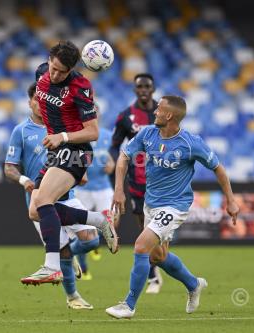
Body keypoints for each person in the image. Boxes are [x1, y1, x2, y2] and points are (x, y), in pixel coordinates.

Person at [106, 95, 239, 319]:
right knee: (157, 256)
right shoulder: (147, 133)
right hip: (152, 203)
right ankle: (193, 284)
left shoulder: (190, 143)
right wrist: (119, 189)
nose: (155, 111)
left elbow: (218, 168)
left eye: (159, 109)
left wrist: (232, 200)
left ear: (169, 115)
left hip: (175, 206)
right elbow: (124, 157)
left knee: (140, 247)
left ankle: (128, 305)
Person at [22, 41, 118, 285]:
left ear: (71, 70)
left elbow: (93, 132)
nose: (54, 75)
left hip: (76, 149)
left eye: (61, 72)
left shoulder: (81, 87)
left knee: (44, 201)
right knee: (35, 211)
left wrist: (61, 136)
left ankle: (52, 266)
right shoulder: (42, 72)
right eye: (53, 68)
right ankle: (97, 220)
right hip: (56, 151)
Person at [4, 83, 100, 309]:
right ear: (30, 102)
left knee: (92, 239)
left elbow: (78, 149)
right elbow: (9, 167)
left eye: (43, 99)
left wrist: (81, 171)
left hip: (68, 196)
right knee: (63, 250)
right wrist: (23, 179)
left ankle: (68, 256)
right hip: (40, 202)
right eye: (36, 100)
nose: (40, 104)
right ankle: (73, 297)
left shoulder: (59, 126)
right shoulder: (21, 131)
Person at [110, 73, 162, 293]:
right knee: (144, 227)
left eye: (147, 86)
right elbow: (114, 144)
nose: (143, 90)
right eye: (139, 86)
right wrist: (113, 160)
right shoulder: (126, 116)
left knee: (157, 231)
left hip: (163, 179)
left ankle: (157, 268)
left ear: (153, 88)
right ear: (135, 90)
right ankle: (153, 275)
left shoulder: (164, 112)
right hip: (138, 180)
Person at [74, 117, 115, 280]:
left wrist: (112, 162)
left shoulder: (107, 135)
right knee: (81, 228)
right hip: (82, 188)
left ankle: (96, 237)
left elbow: (115, 155)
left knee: (111, 221)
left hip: (103, 187)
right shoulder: (78, 135)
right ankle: (84, 268)